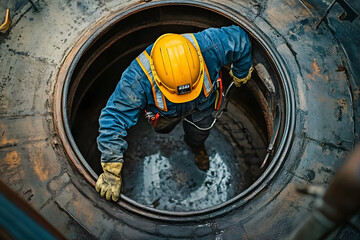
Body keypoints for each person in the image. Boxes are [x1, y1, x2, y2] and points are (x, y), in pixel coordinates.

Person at [95, 25, 254, 202]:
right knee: (163, 129)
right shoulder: (138, 78)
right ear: (157, 78)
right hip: (165, 114)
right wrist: (111, 167)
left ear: (200, 65)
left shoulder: (210, 45)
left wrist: (242, 70)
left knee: (199, 132)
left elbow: (240, 38)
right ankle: (166, 134)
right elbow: (114, 116)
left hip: (202, 107)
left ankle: (197, 146)